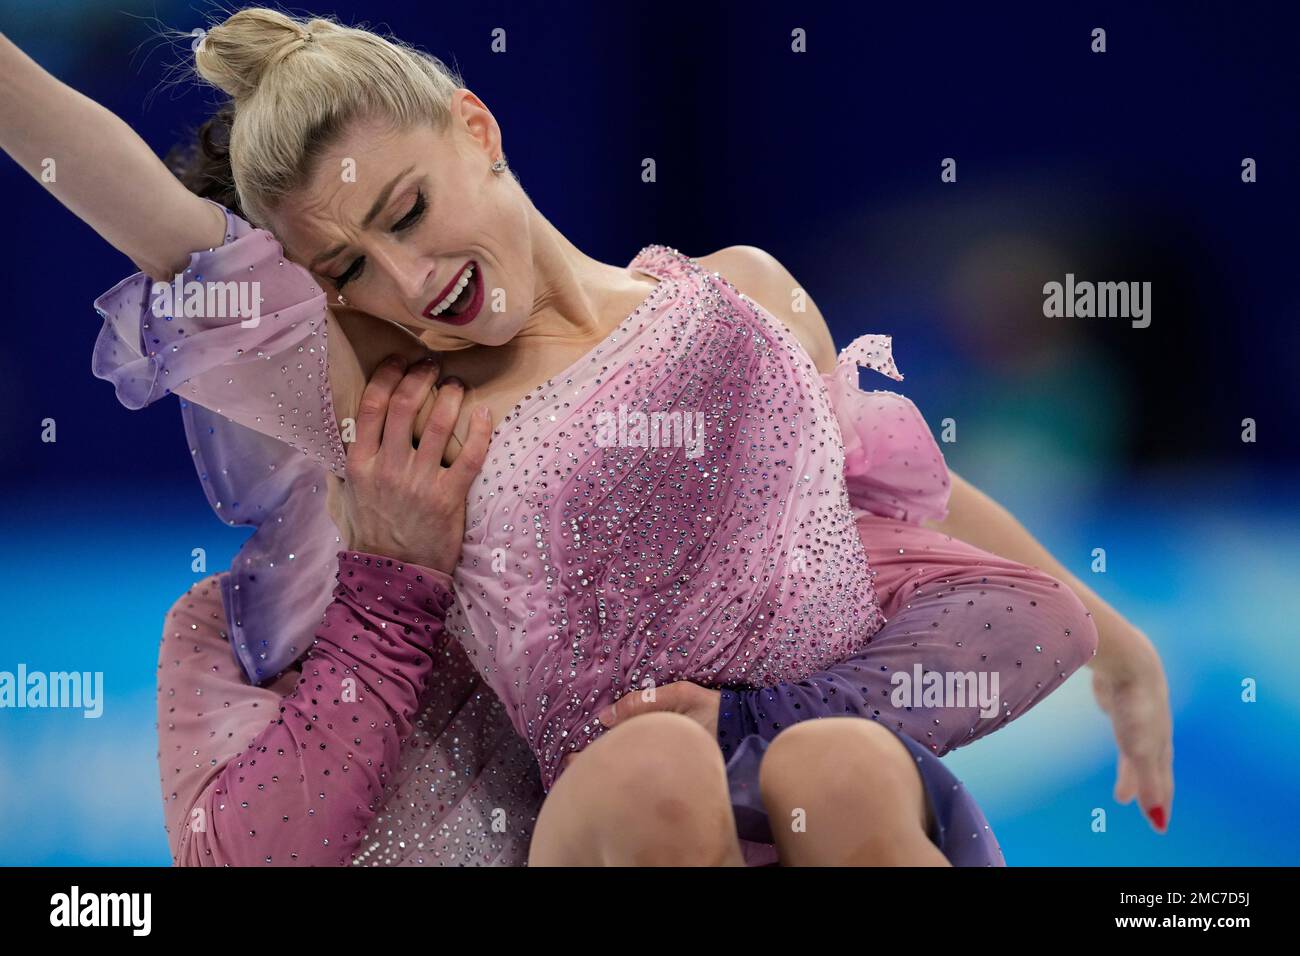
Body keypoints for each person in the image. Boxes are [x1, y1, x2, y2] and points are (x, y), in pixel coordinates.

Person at [0, 9, 1172, 866]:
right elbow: (144, 212)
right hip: (617, 813)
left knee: (845, 765)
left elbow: (898, 494)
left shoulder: (742, 291)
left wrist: (1118, 642)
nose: (408, 279)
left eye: (407, 210)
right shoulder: (390, 397)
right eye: (349, 268)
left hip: (817, 774)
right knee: (657, 770)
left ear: (477, 125)